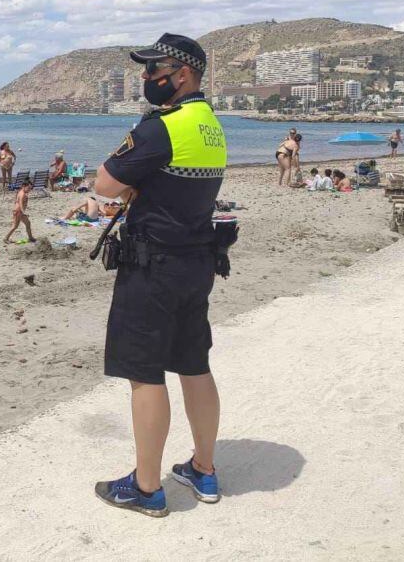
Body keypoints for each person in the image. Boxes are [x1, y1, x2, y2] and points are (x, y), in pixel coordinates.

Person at [92, 32, 228, 518]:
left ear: (183, 75)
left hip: (154, 265)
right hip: (198, 261)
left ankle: (146, 487)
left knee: (144, 372)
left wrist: (130, 183)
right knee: (194, 363)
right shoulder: (210, 123)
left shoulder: (160, 127)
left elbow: (105, 183)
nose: (146, 78)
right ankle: (203, 468)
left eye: (153, 71)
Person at [3, 177, 36, 244]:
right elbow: (20, 203)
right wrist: (23, 212)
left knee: (28, 223)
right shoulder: (22, 194)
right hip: (18, 211)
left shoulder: (21, 192)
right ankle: (6, 238)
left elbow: (16, 201)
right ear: (23, 186)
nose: (30, 190)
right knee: (15, 226)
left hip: (18, 211)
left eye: (31, 188)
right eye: (29, 188)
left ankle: (30, 238)